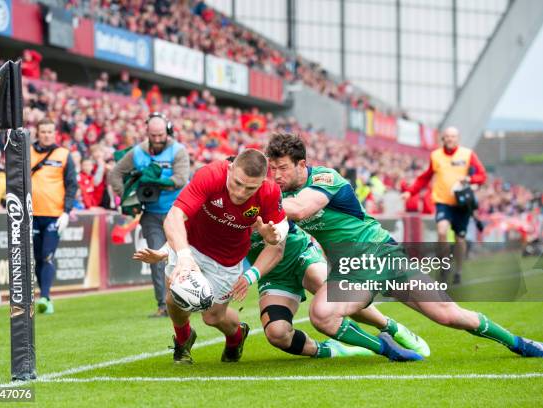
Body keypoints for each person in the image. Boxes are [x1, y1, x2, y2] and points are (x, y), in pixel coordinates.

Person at [266, 133, 543, 361]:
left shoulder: (324, 178)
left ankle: (519, 343)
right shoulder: (284, 191)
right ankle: (388, 346)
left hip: (380, 254)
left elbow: (302, 209)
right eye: (272, 169)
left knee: (448, 314)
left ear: (301, 164)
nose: (276, 175)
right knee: (322, 315)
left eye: (282, 168)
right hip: (351, 269)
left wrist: (263, 200)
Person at [135, 219, 430, 360]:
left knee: (330, 291)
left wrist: (248, 277)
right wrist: (163, 253)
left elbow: (277, 248)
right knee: (276, 334)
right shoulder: (214, 213)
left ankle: (391, 328)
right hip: (273, 277)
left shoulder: (265, 198)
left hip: (301, 256)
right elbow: (185, 230)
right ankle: (338, 350)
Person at [162, 149, 288, 364]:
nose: (240, 193)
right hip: (191, 244)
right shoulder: (210, 175)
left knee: (212, 317)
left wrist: (274, 236)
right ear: (230, 169)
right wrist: (183, 255)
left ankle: (236, 337)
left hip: (226, 259)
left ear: (262, 182)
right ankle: (183, 340)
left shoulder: (270, 192)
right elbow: (174, 216)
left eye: (250, 188)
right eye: (237, 183)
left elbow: (278, 241)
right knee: (174, 300)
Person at [110, 113, 190, 318]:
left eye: (160, 134)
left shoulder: (178, 151)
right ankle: (163, 305)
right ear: (147, 132)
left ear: (167, 131)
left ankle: (191, 298)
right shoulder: (137, 153)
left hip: (178, 211)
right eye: (153, 135)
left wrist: (156, 181)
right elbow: (115, 174)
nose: (157, 139)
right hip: (152, 212)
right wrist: (127, 198)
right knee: (155, 256)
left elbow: (181, 179)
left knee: (184, 254)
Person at [402, 127, 487, 284]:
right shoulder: (436, 156)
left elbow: (482, 175)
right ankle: (444, 265)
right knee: (441, 230)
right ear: (443, 138)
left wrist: (469, 179)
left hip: (461, 204)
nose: (450, 139)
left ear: (458, 138)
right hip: (443, 202)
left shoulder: (467, 154)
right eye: (447, 136)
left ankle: (459, 271)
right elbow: (424, 178)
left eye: (453, 136)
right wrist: (410, 192)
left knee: (460, 239)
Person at [31, 118, 78, 314]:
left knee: (47, 256)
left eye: (50, 131)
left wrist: (66, 212)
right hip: (32, 214)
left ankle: (45, 297)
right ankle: (44, 295)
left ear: (55, 133)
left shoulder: (64, 154)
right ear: (38, 133)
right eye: (43, 131)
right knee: (37, 258)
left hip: (54, 215)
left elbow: (72, 185)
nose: (47, 135)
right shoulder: (27, 152)